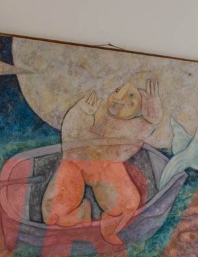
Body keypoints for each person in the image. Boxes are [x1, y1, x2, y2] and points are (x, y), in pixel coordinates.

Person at [41, 72, 162, 245]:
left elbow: (149, 125)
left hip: (106, 168)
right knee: (53, 214)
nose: (120, 98)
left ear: (138, 108)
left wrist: (153, 113)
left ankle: (109, 228)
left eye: (131, 98)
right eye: (118, 90)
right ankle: (81, 215)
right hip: (75, 163)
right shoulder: (94, 109)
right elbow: (69, 134)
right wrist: (81, 112)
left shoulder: (133, 126)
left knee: (128, 205)